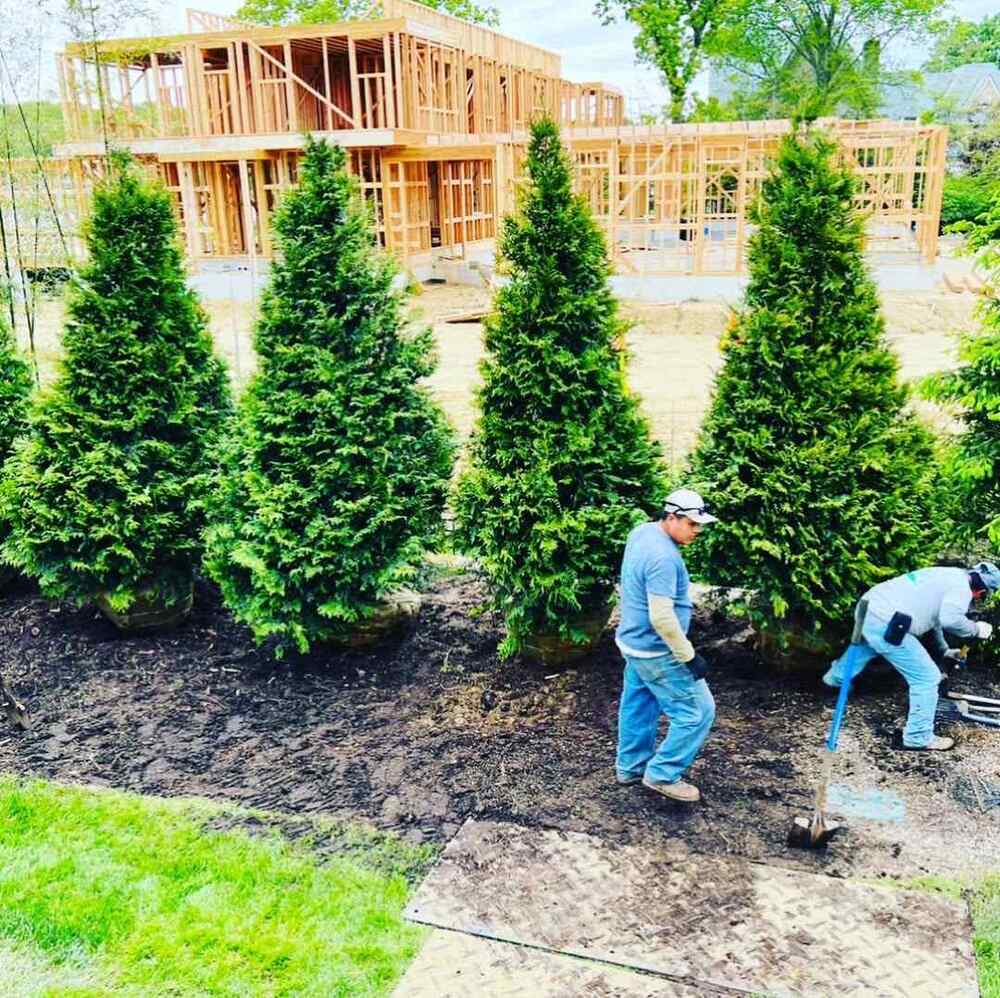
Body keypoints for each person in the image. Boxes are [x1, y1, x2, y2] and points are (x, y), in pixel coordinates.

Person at [824, 562, 1000, 751]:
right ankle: (918, 736)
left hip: (870, 607)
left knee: (867, 647)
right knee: (927, 677)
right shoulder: (962, 590)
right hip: (889, 623)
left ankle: (835, 679)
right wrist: (975, 629)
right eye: (983, 595)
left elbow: (935, 619)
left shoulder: (948, 574)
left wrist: (944, 651)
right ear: (981, 590)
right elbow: (949, 619)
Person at [614, 488, 718, 803]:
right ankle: (662, 774)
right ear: (672, 517)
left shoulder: (642, 533)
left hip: (633, 642)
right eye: (691, 524)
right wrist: (689, 656)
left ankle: (630, 766)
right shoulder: (663, 558)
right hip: (659, 651)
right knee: (698, 712)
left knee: (639, 703)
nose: (697, 531)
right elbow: (661, 617)